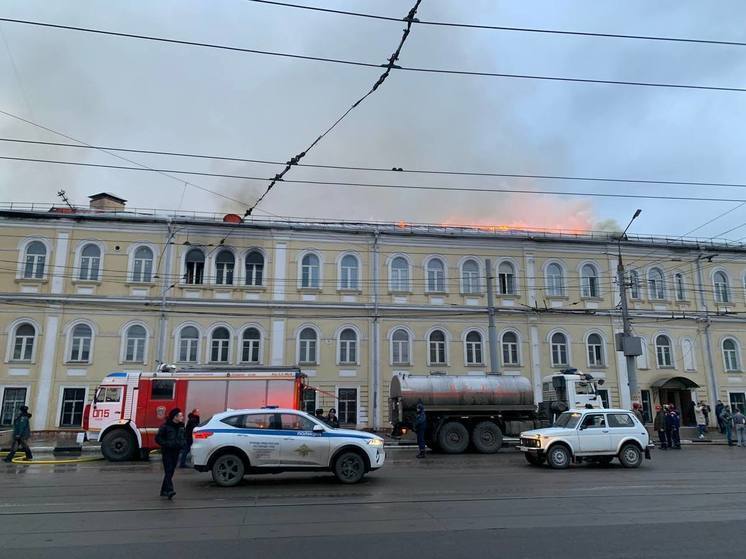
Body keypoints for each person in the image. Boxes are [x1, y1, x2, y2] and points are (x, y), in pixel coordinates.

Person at [156, 408, 185, 499]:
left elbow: (184, 437)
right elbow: (158, 438)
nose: (182, 417)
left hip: (176, 451)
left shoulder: (181, 426)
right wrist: (166, 444)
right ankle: (169, 490)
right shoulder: (165, 426)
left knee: (171, 471)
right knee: (168, 470)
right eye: (180, 416)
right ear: (175, 417)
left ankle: (163, 490)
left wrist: (183, 444)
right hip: (167, 451)